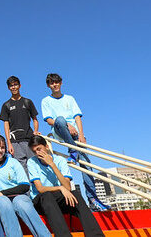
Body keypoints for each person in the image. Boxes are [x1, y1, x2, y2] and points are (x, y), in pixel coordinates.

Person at [41, 73, 108, 210]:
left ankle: (93, 200)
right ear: (48, 85)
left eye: (57, 82)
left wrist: (82, 135)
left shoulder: (70, 99)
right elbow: (49, 120)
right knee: (59, 119)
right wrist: (66, 125)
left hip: (76, 135)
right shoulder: (46, 101)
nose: (55, 85)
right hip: (60, 131)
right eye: (52, 83)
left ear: (61, 83)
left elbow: (77, 117)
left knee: (87, 167)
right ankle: (73, 150)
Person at [27, 136, 105, 237]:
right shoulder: (32, 162)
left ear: (46, 146)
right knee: (47, 196)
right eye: (34, 151)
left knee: (75, 194)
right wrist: (60, 188)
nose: (37, 153)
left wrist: (52, 164)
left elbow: (67, 187)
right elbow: (40, 189)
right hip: (41, 201)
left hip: (58, 199)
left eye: (39, 149)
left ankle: (96, 235)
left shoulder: (60, 161)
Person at [0, 134, 50, 237]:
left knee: (21, 202)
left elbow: (24, 185)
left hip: (18, 196)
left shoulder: (13, 162)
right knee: (3, 201)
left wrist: (3, 192)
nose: (0, 150)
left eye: (2, 147)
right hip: (1, 199)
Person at [0, 75, 40, 169]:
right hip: (15, 142)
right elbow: (6, 125)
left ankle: (35, 184)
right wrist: (8, 143)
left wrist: (36, 131)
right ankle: (26, 184)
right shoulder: (6, 105)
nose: (13, 87)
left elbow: (35, 119)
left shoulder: (27, 102)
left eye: (15, 85)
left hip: (29, 139)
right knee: (21, 168)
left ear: (20, 86)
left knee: (34, 166)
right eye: (11, 85)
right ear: (8, 88)